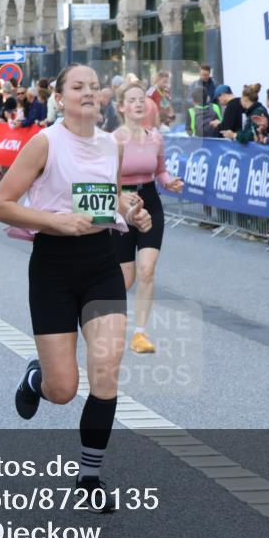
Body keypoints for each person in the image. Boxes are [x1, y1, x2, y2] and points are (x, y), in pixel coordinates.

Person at [0, 63, 151, 512]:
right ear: (59, 97)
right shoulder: (45, 143)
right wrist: (54, 221)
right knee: (63, 389)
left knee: (107, 367)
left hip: (101, 263)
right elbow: (0, 206)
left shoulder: (108, 144)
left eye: (94, 86)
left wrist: (131, 212)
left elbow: (111, 195)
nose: (87, 92)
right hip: (54, 268)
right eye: (77, 86)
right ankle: (38, 376)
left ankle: (90, 477)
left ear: (102, 98)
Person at [112, 82, 184, 353]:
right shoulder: (113, 139)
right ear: (121, 107)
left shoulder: (155, 138)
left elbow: (161, 172)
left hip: (150, 202)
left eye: (142, 99)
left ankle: (140, 334)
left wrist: (170, 182)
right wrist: (120, 202)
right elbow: (108, 179)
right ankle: (112, 325)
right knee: (125, 278)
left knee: (147, 269)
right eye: (132, 100)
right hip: (122, 204)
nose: (139, 104)